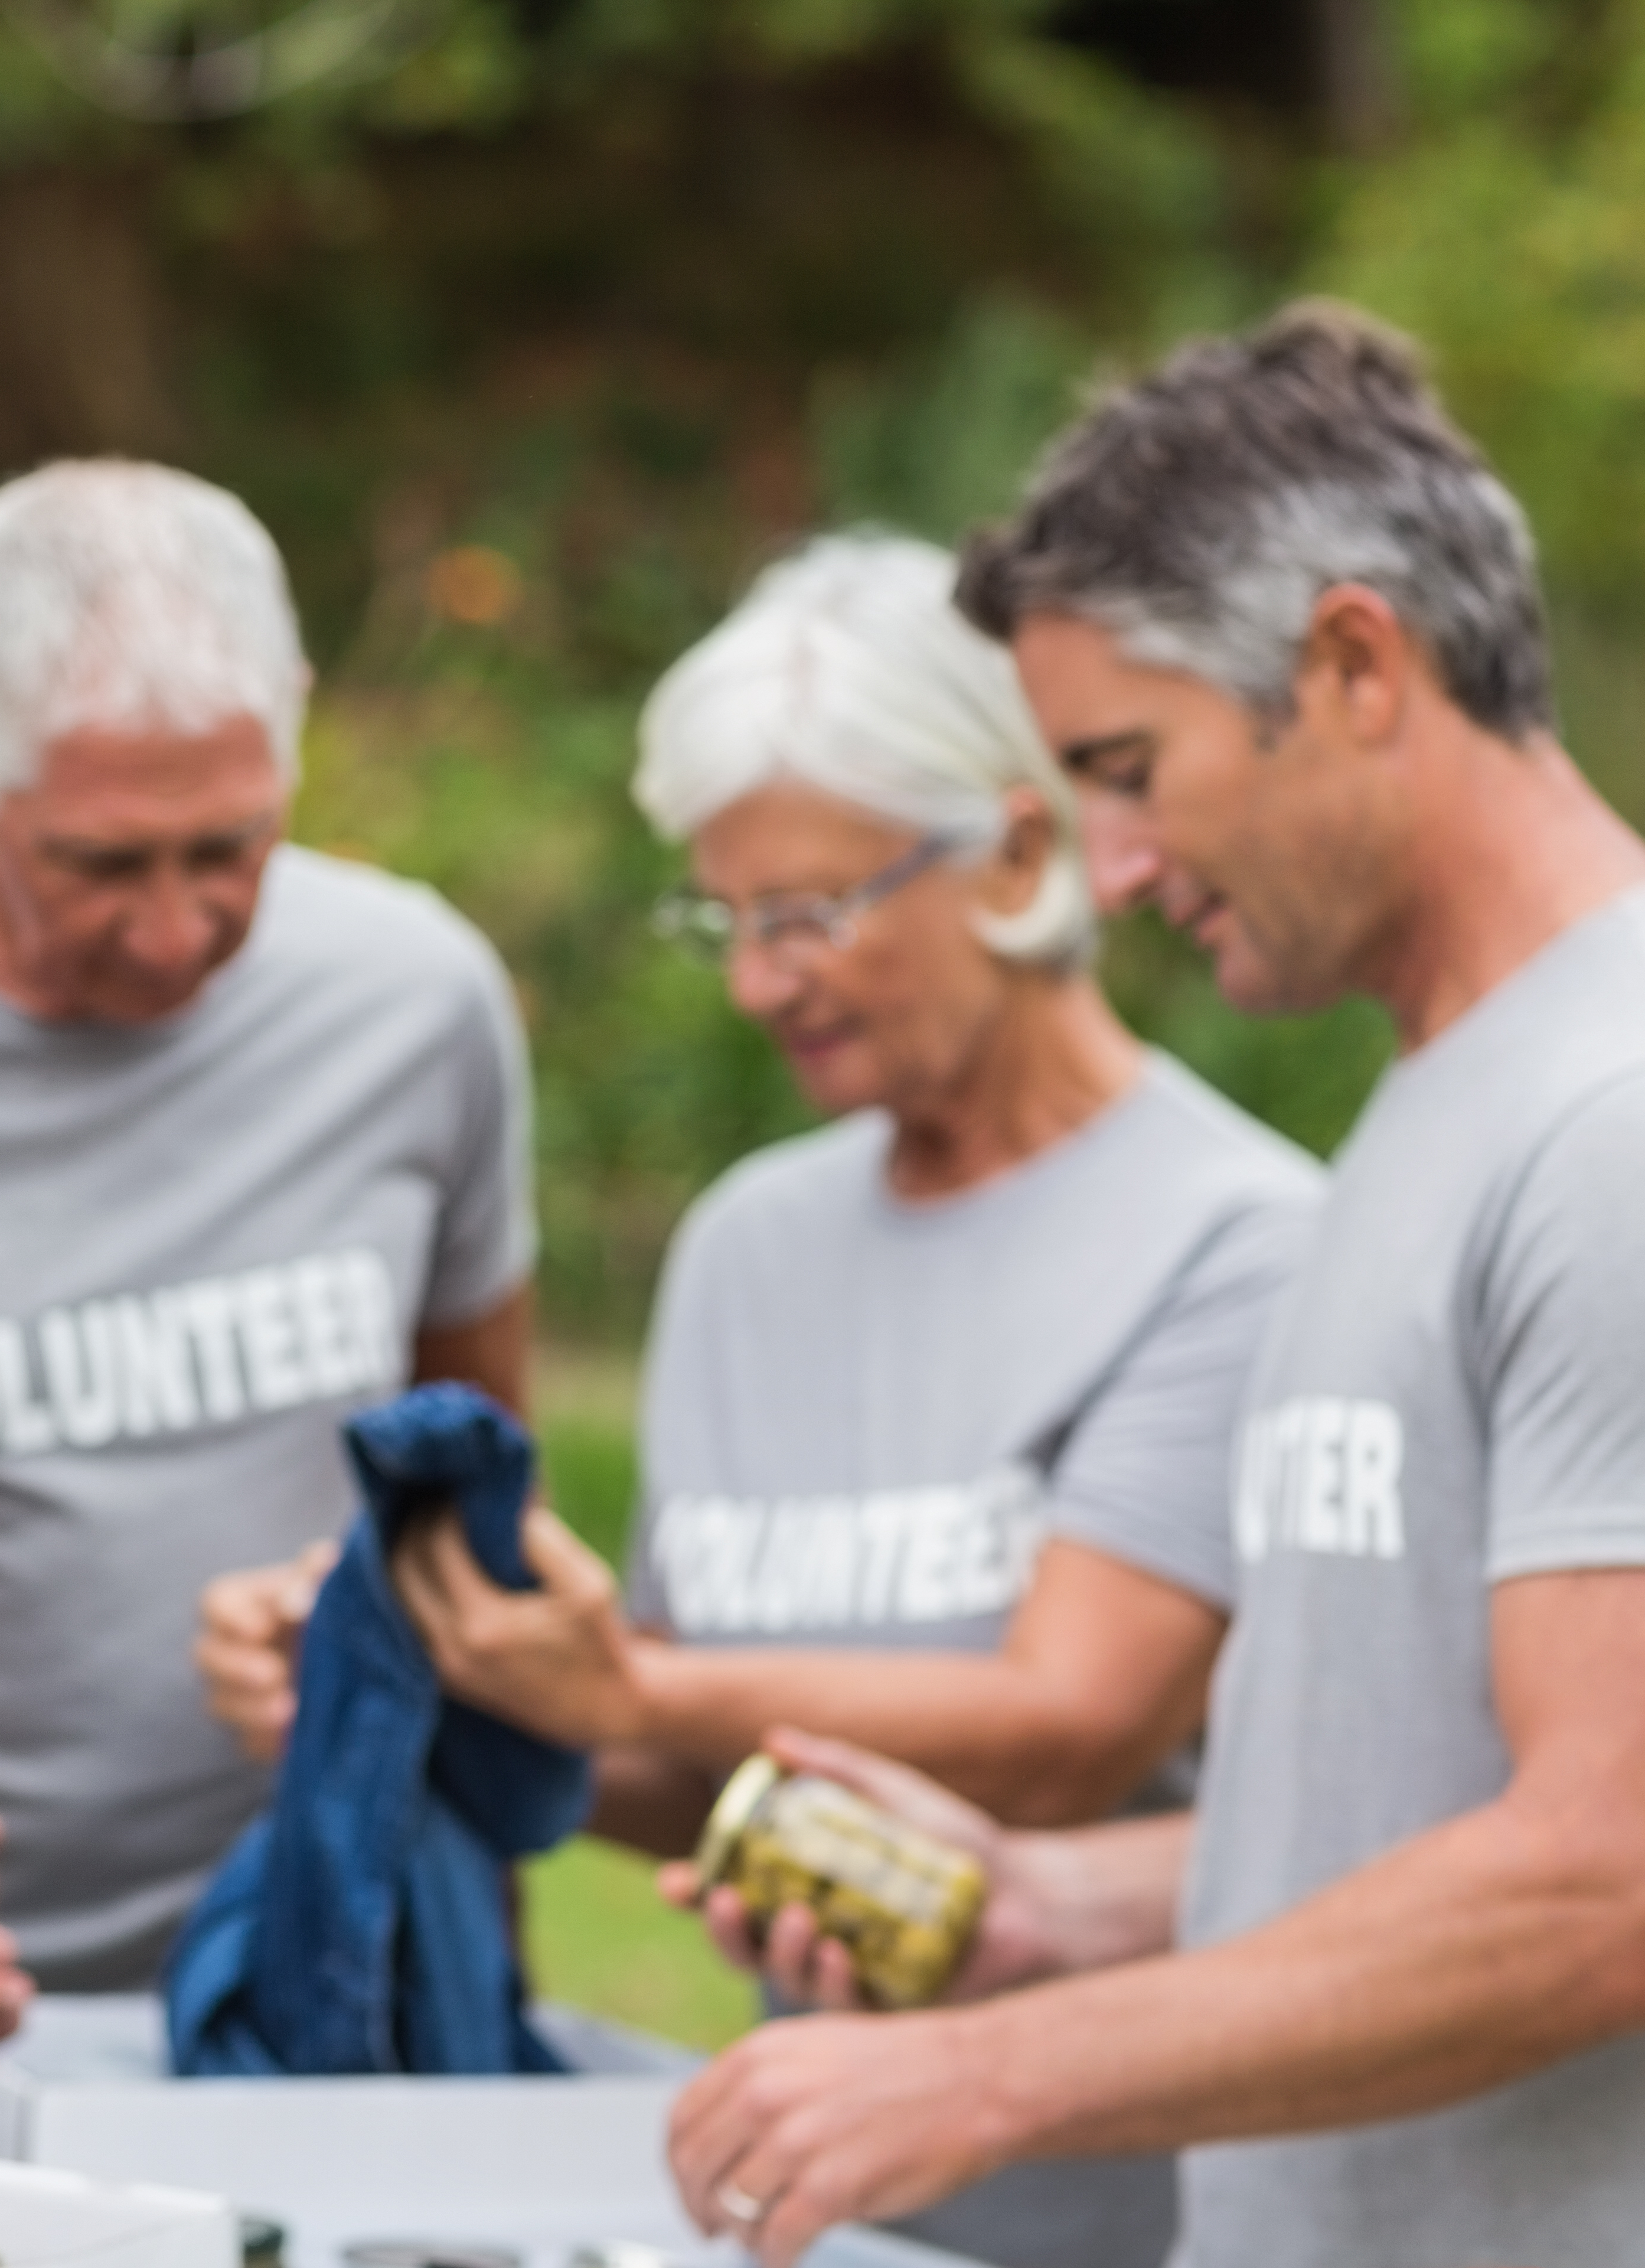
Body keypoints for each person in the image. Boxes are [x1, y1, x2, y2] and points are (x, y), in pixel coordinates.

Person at [194, 532, 1320, 2268]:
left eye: (805, 914)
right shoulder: (748, 1248)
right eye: (724, 916)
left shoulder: (1236, 1245)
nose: (753, 980)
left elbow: (1072, 1719)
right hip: (808, 2214)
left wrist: (629, 1680)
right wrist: (425, 1672)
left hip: (1142, 2217)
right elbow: (689, 1769)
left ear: (1019, 847)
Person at [661, 305, 1645, 2268]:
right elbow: (1390, 1830)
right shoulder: (1444, 1102)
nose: (1105, 869)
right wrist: (1051, 1907)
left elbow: (1604, 1868)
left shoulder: (1612, 1126)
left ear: (1357, 664)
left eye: (1132, 768)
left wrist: (1000, 2074)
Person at [0, 458, 543, 2088]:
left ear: (292, 725)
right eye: (98, 865)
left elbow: (481, 1486)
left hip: (328, 1993)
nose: (172, 929)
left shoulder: (417, 1004)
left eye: (231, 849)